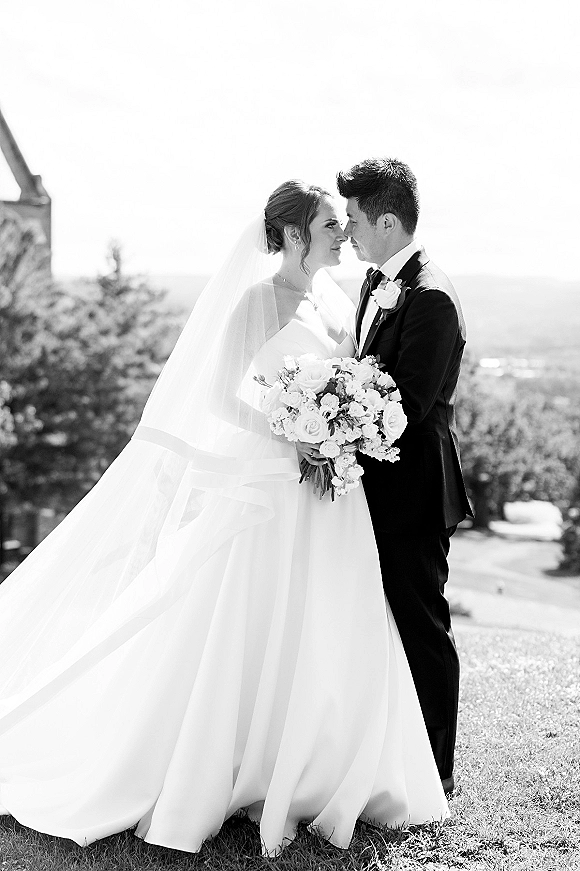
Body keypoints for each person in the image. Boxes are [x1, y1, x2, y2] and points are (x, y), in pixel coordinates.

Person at [0, 180, 448, 857]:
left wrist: (335, 426)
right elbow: (218, 397)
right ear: (295, 234)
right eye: (330, 223)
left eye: (342, 222)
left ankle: (319, 768)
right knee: (253, 622)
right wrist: (292, 427)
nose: (340, 234)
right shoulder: (254, 301)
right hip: (276, 484)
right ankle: (235, 764)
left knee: (329, 624)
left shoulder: (330, 299)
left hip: (330, 495)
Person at [336, 159, 474, 794]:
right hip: (373, 487)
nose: (348, 229)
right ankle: (386, 759)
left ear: (385, 220)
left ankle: (434, 775)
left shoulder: (432, 297)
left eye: (355, 218)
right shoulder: (378, 282)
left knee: (421, 626)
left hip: (414, 492)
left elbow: (407, 405)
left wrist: (330, 411)